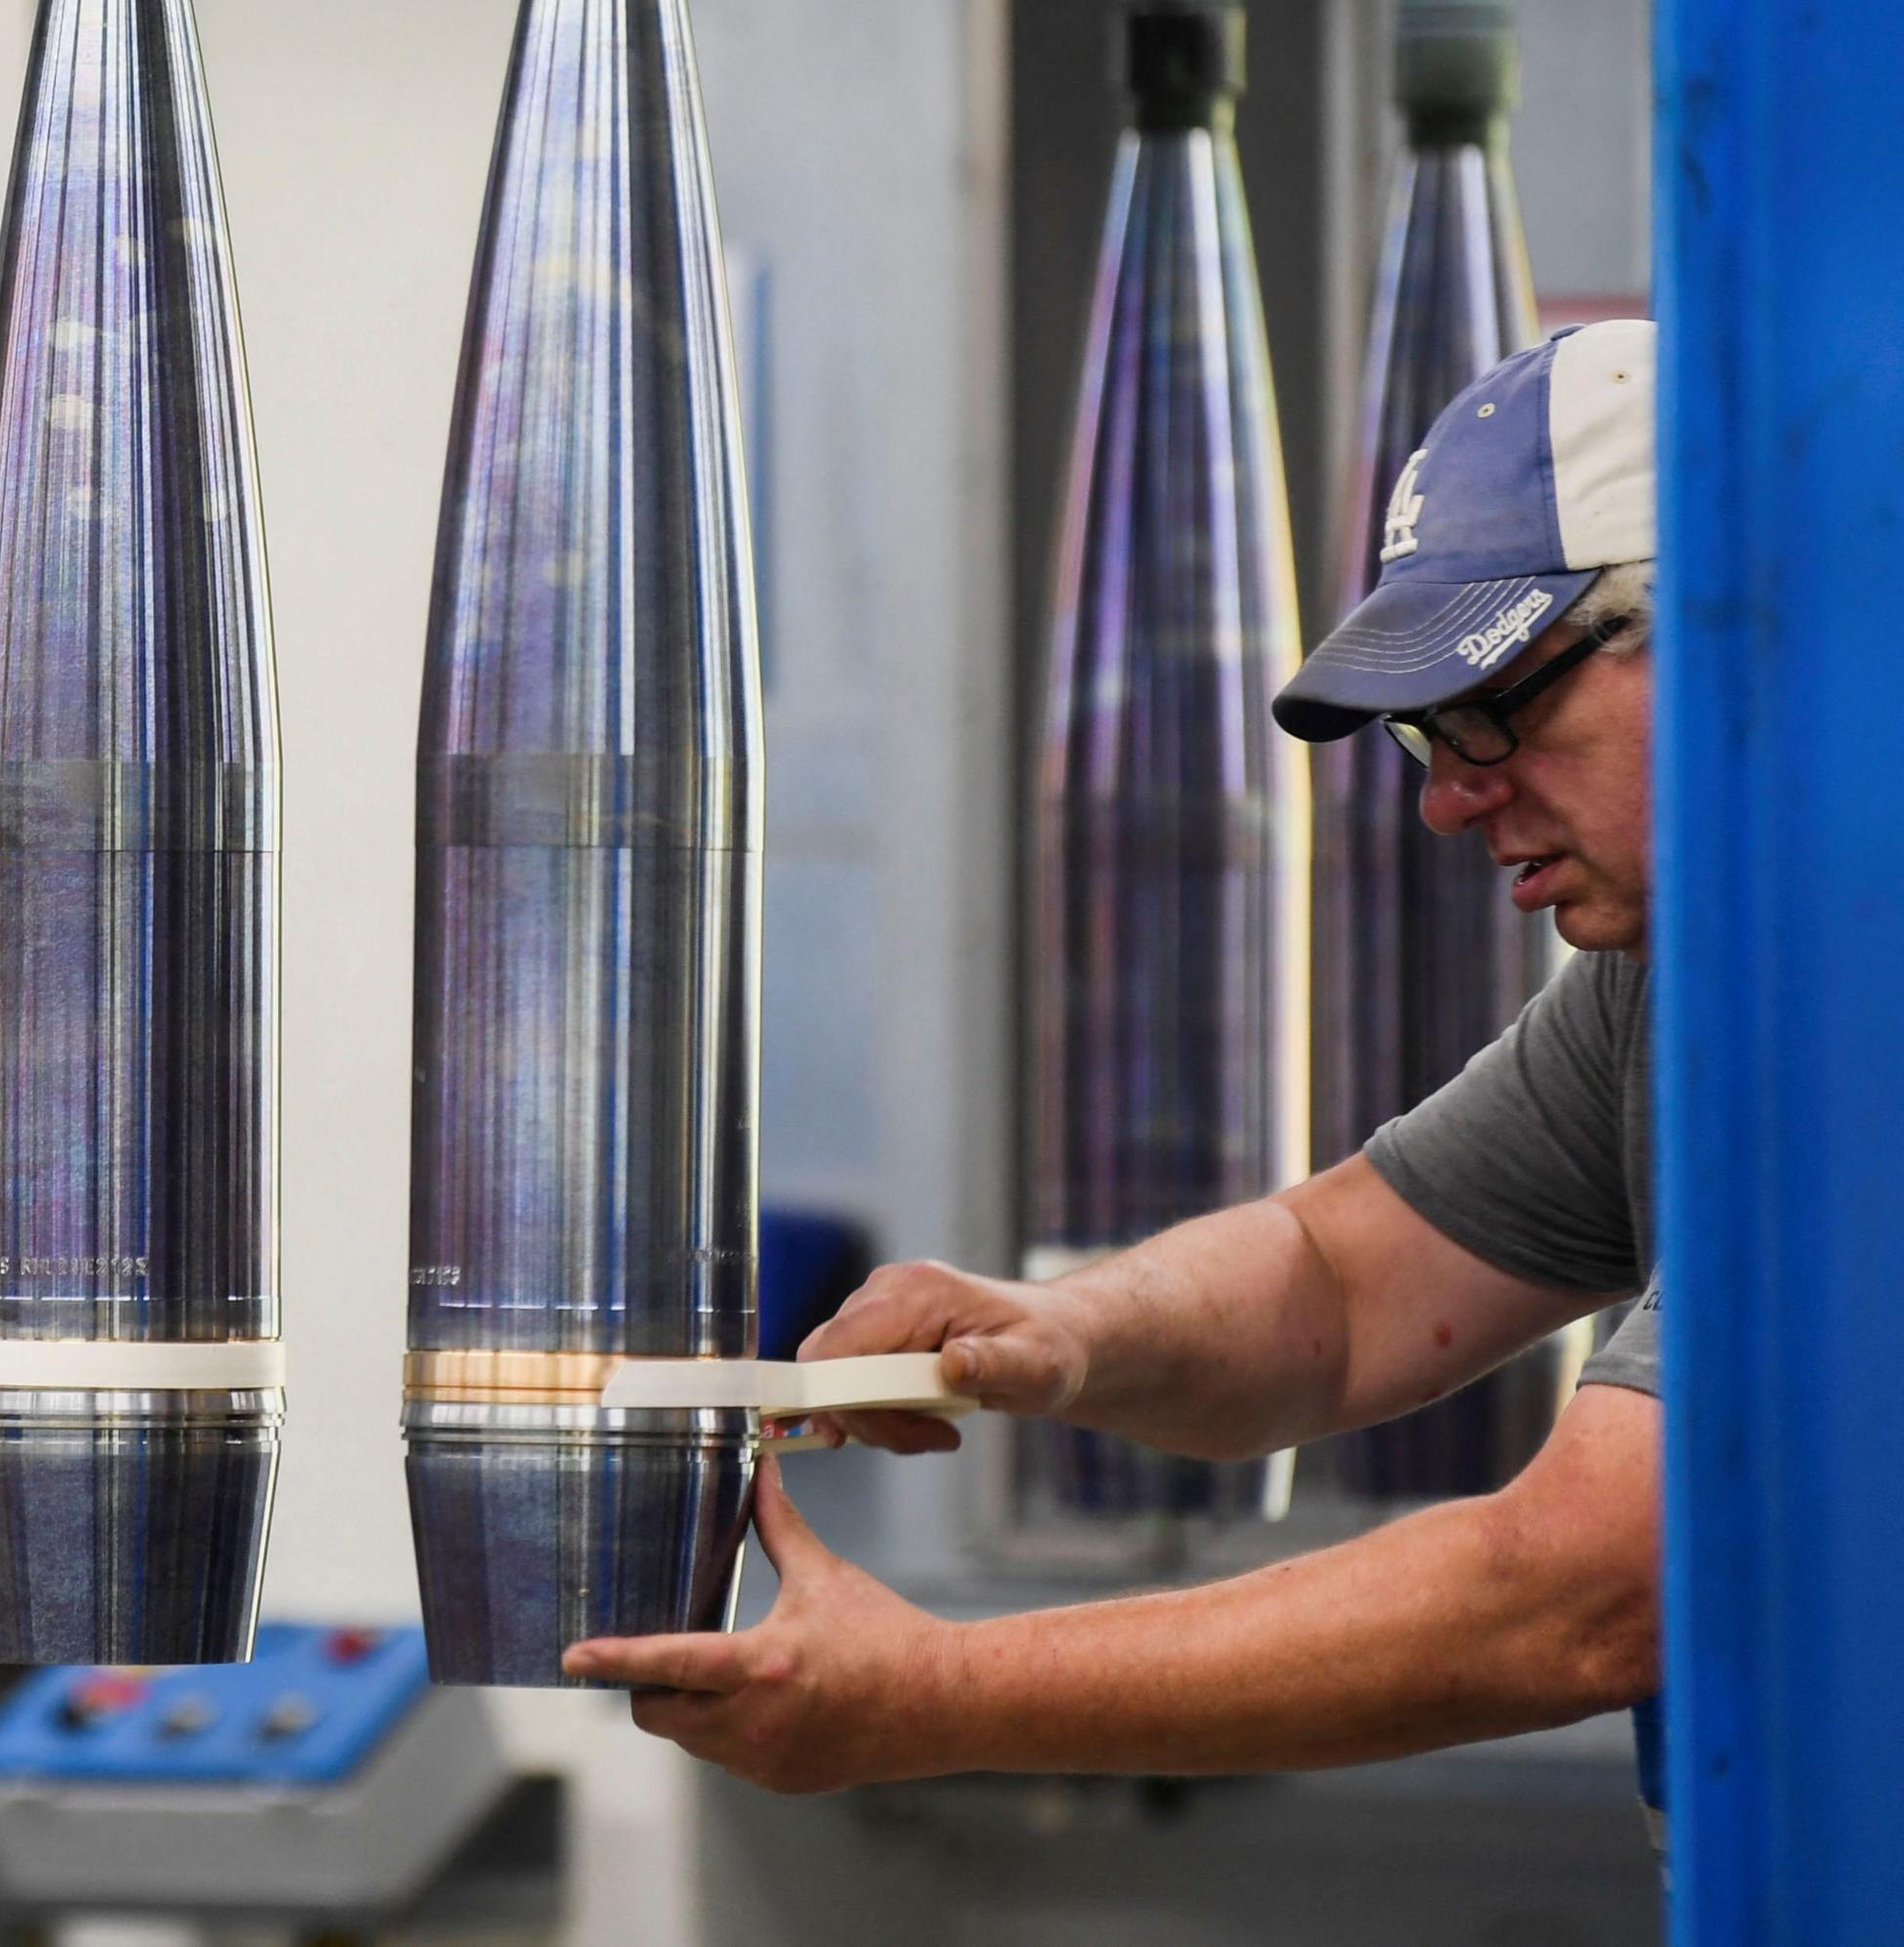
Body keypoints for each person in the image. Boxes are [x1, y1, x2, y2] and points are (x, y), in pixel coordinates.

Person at [566, 317, 1667, 1804]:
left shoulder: (1858, 1021)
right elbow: (1342, 1288)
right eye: (1429, 739)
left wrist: (941, 1693)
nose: (1450, 805)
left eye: (1492, 711)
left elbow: (1578, 1596)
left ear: (1732, 624)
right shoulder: (1670, 992)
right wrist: (1053, 1334)